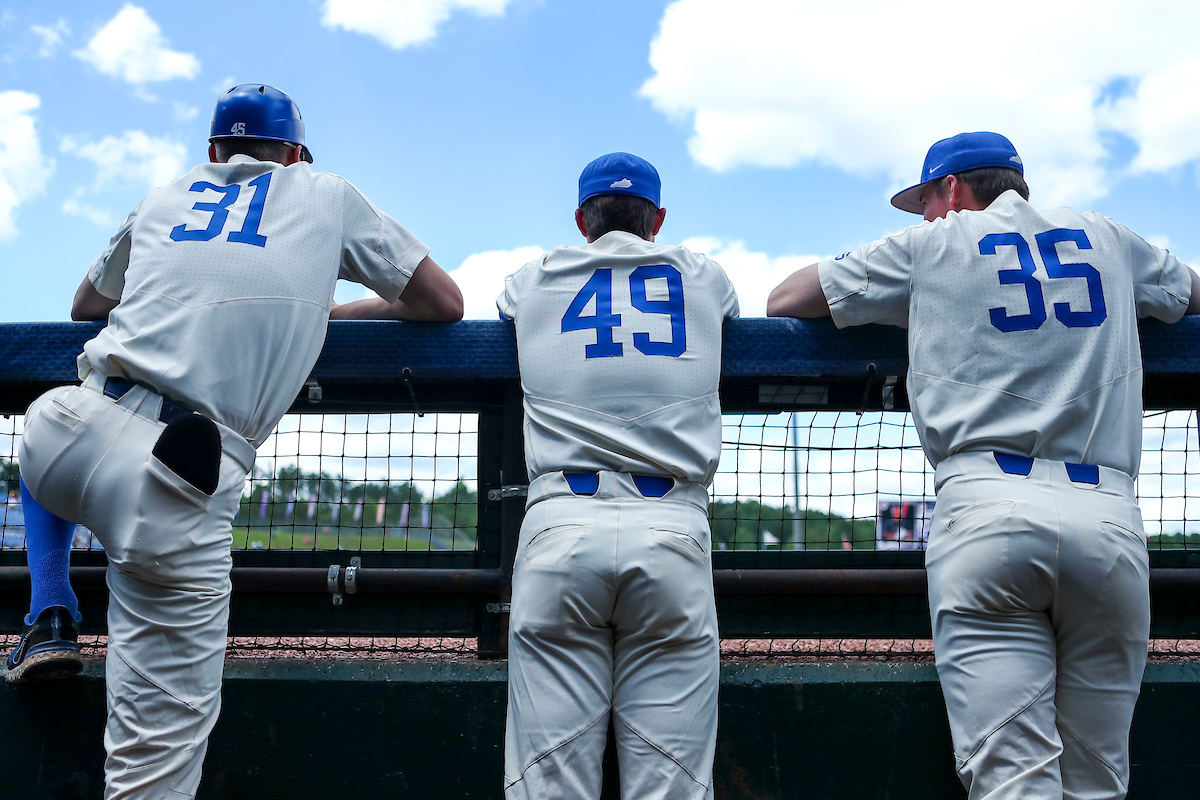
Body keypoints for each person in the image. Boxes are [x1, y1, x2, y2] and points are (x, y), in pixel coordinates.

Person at [9, 84, 462, 797]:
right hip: (175, 478)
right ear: (294, 155)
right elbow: (443, 304)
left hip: (66, 427)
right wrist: (326, 311)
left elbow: (84, 306)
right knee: (151, 764)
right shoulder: (325, 192)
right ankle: (57, 615)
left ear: (215, 151)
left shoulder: (167, 194)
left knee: (47, 441)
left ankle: (50, 607)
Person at [767, 131, 1199, 800]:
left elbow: (785, 300)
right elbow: (1193, 292)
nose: (926, 216)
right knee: (1098, 783)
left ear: (953, 189)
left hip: (989, 510)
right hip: (1109, 517)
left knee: (1013, 780)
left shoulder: (932, 243)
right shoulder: (1108, 236)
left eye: (927, 202)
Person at [498, 152, 738, 799]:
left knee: (548, 782)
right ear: (657, 219)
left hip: (559, 527)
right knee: (671, 784)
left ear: (582, 219)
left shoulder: (536, 274)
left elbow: (505, 307)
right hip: (671, 530)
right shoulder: (703, 275)